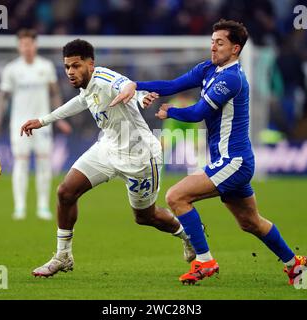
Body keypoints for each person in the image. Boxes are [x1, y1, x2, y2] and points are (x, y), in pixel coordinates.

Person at [111, 19, 307, 285]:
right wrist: (136, 84)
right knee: (250, 222)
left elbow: (198, 113)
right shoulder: (208, 68)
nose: (213, 47)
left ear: (235, 49)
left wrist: (171, 111)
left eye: (220, 43)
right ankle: (294, 265)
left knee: (176, 196)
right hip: (230, 161)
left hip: (234, 161)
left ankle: (205, 261)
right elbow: (173, 85)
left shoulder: (231, 78)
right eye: (212, 42)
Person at [20, 39, 195, 277]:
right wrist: (43, 121)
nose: (71, 72)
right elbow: (81, 102)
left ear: (90, 64)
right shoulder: (87, 86)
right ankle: (63, 255)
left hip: (140, 157)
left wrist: (140, 97)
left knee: (145, 217)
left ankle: (189, 235)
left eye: (76, 66)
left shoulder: (105, 78)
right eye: (67, 67)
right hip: (108, 148)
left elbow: (126, 86)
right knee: (65, 192)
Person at [0, 29, 72, 221]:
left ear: (35, 45)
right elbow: (3, 96)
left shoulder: (46, 66)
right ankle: (20, 207)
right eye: (23, 44)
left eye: (29, 44)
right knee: (21, 162)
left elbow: (54, 93)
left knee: (43, 163)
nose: (26, 48)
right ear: (19, 46)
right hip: (19, 123)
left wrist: (60, 119)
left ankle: (42, 207)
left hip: (42, 123)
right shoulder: (12, 69)